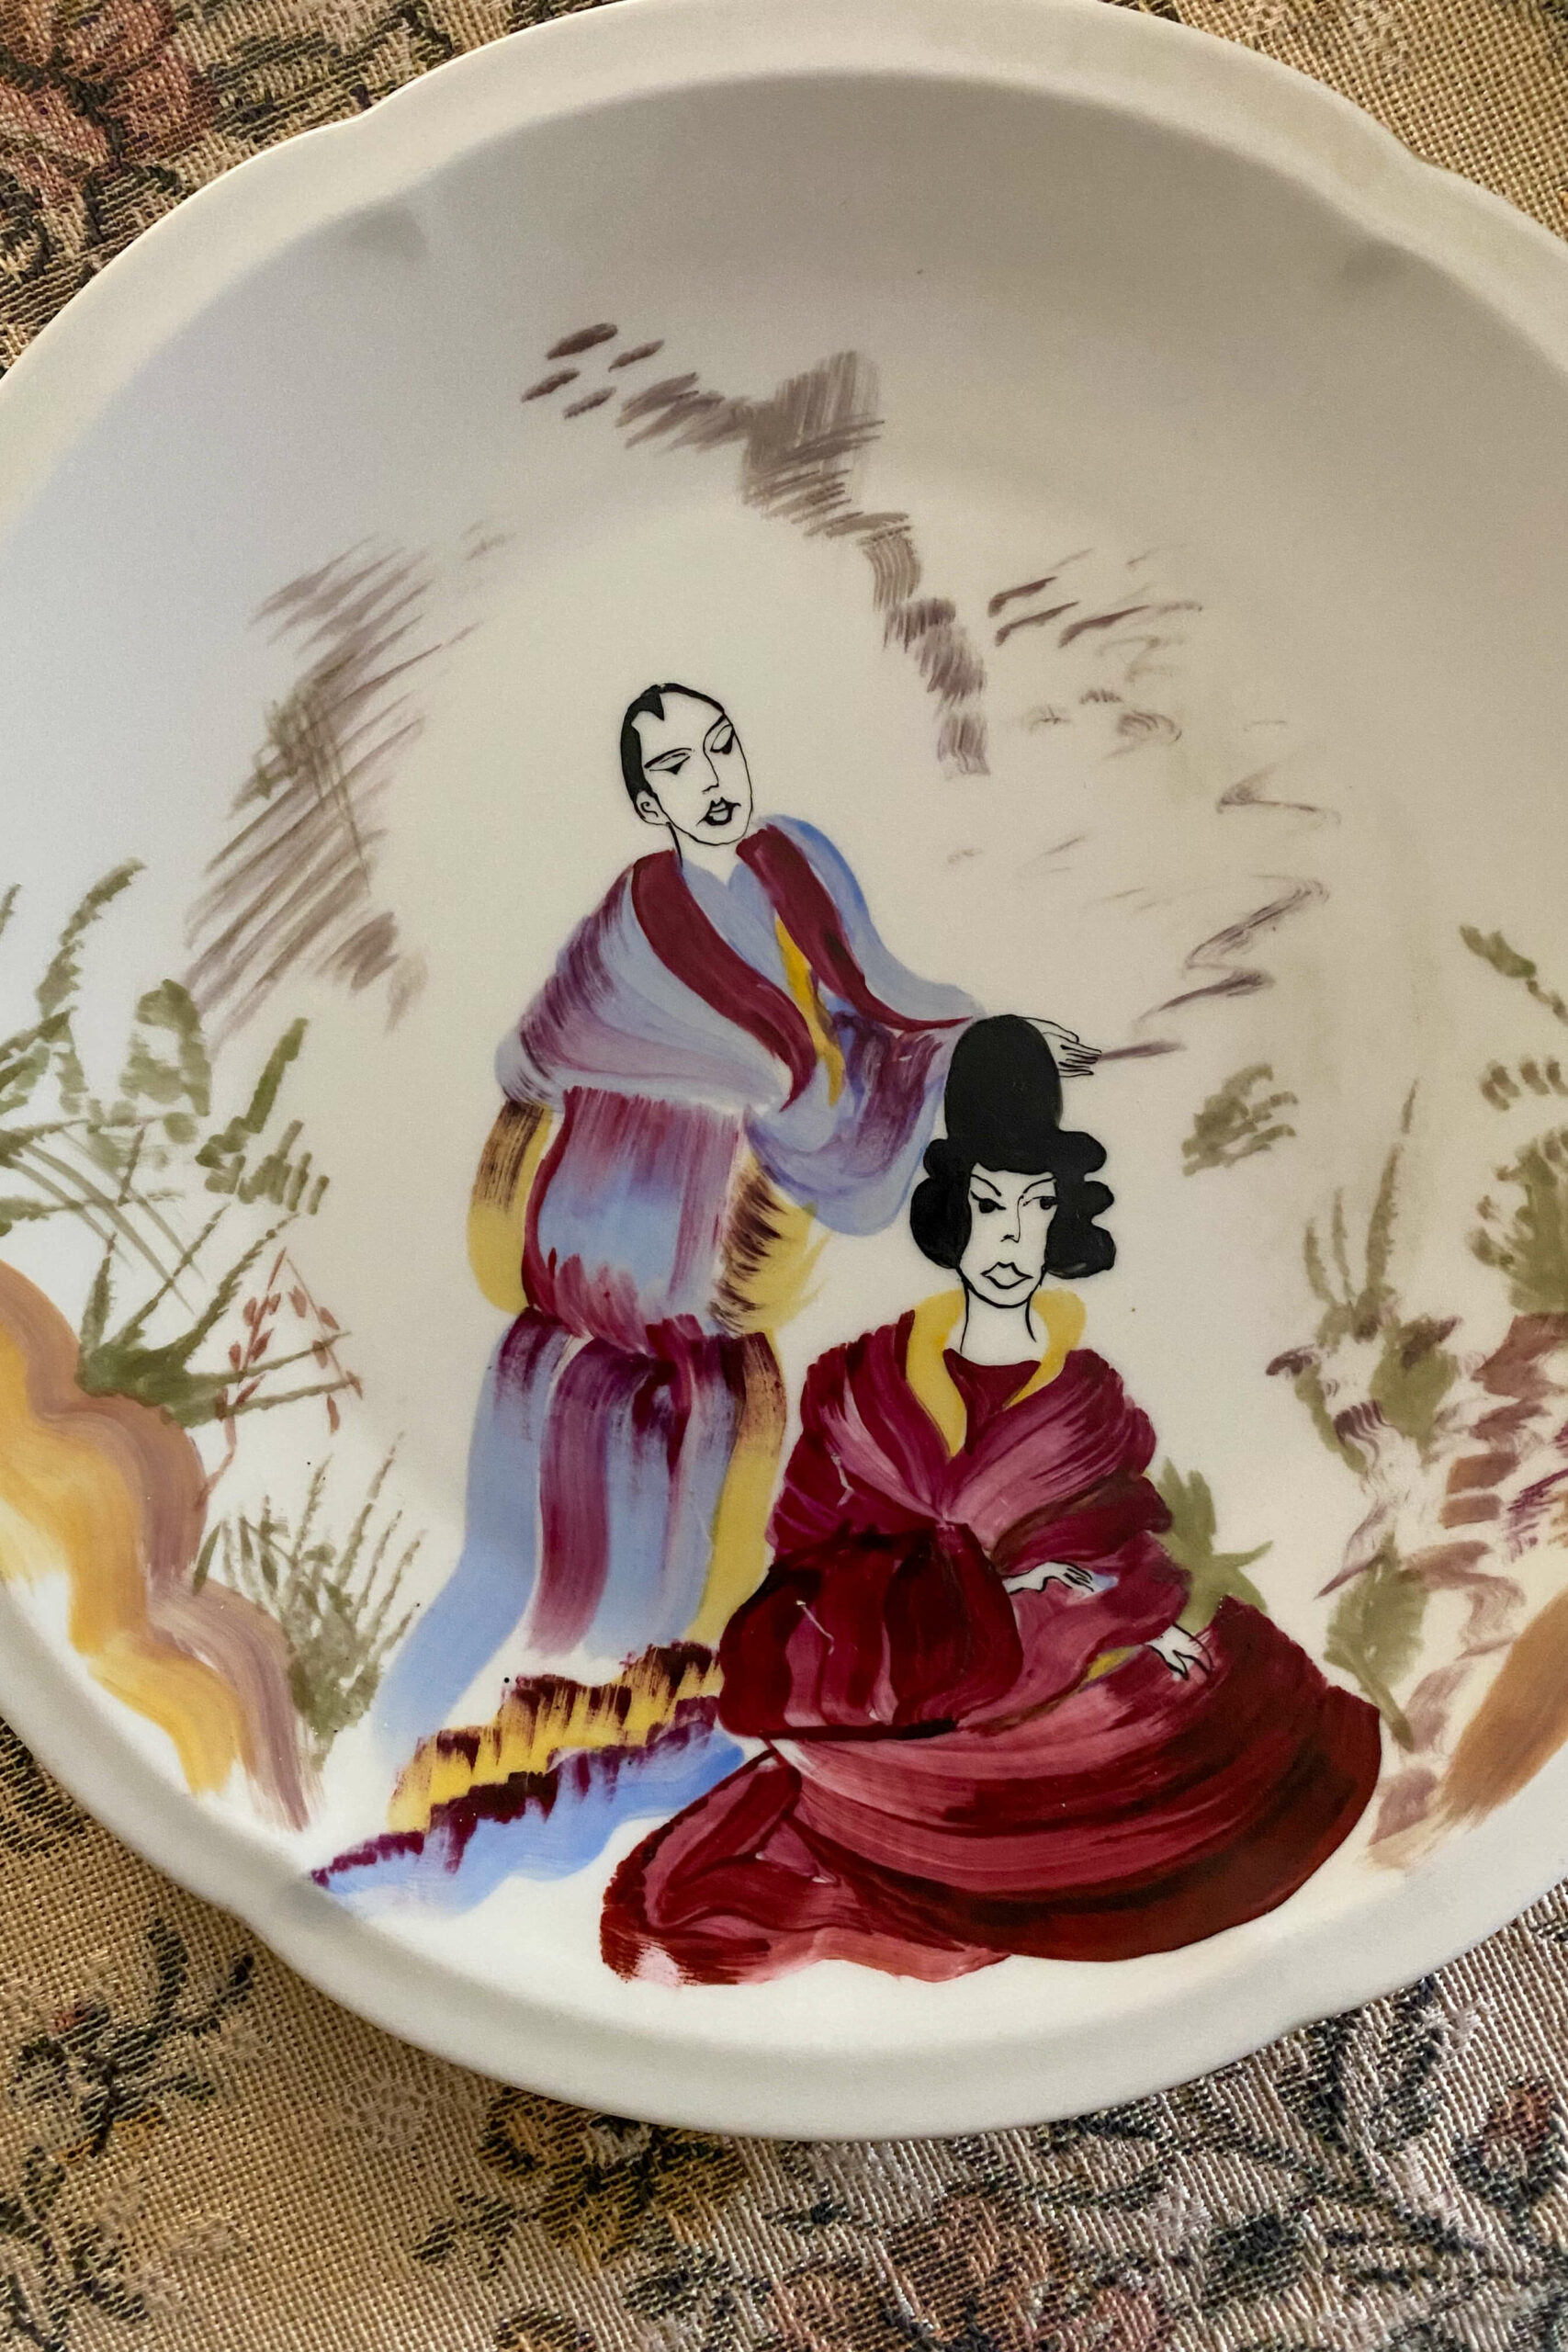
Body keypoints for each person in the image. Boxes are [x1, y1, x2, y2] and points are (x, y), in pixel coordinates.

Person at [377, 690, 1087, 1770]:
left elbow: (884, 1004)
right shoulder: (629, 926)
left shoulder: (794, 869)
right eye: (676, 767)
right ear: (647, 801)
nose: (710, 778)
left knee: (707, 1519)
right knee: (562, 1525)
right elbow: (536, 1057)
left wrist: (989, 1042)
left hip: (718, 1276)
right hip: (613, 1248)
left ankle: (662, 1725)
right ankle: (483, 1728)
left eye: (720, 747)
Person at [602, 1017, 1384, 1984]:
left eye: (1033, 1210)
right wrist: (979, 1593)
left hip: (1069, 1663)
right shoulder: (859, 1377)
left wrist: (1138, 1623)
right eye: (987, 1207)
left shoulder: (1087, 1391)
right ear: (950, 1216)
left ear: (1061, 1223)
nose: (1009, 1239)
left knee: (1257, 1729)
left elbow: (1122, 1543)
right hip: (906, 1686)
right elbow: (808, 1556)